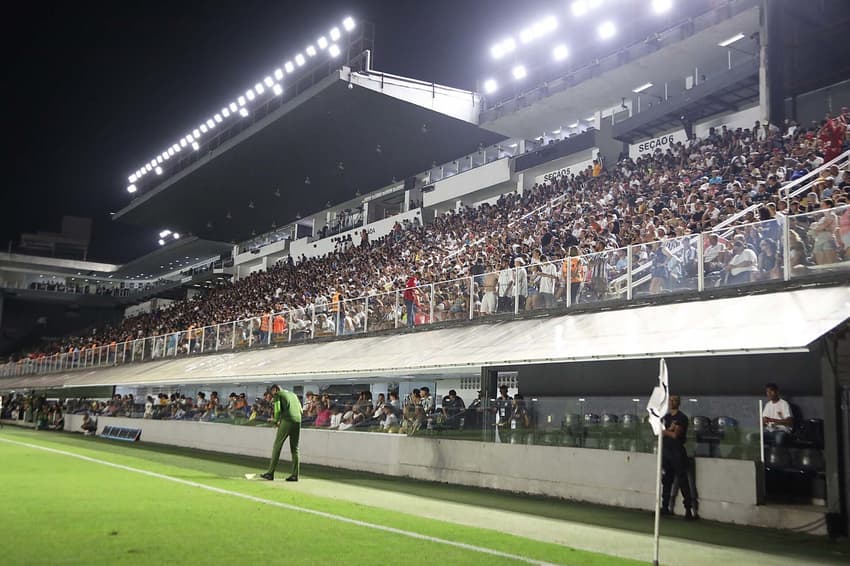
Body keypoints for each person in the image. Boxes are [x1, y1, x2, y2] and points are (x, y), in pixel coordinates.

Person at [660, 395, 696, 520]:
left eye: (674, 400)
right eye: (670, 400)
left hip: (677, 452)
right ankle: (664, 507)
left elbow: (675, 435)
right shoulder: (665, 417)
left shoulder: (682, 417)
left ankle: (688, 510)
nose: (671, 402)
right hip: (666, 452)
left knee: (683, 481)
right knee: (666, 480)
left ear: (678, 403)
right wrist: (668, 431)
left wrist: (666, 432)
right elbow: (659, 431)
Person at [259, 384, 302, 482]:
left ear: (275, 390)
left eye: (272, 393)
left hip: (287, 420)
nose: (272, 396)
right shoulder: (293, 395)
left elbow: (277, 410)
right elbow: (301, 410)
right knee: (295, 448)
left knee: (277, 446)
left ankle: (270, 473)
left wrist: (275, 421)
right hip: (298, 420)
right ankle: (295, 475)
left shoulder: (278, 395)